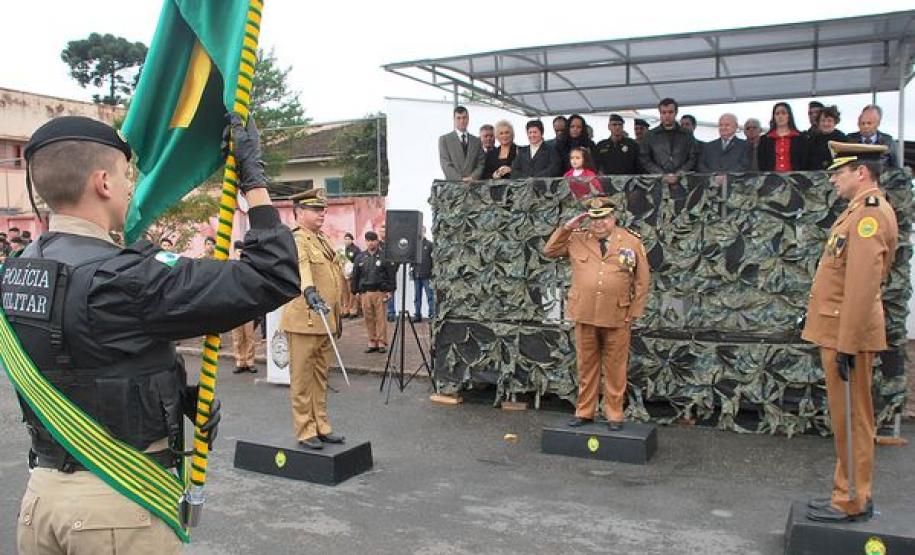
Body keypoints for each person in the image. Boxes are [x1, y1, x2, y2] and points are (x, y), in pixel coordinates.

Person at [8, 114, 299, 553]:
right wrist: (253, 179)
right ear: (104, 182)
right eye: (127, 176)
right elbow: (273, 276)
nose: (131, 187)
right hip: (116, 507)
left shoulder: (14, 272)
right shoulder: (127, 278)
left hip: (40, 503)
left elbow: (78, 358)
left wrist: (163, 390)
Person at [801, 141, 897, 523]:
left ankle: (854, 498)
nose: (833, 179)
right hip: (840, 329)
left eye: (839, 173)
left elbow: (861, 286)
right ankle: (844, 491)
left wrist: (848, 343)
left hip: (848, 334)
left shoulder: (868, 216)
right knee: (845, 417)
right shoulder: (856, 212)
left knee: (854, 418)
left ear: (862, 173)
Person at [543, 196, 650, 431]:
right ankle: (584, 411)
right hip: (585, 312)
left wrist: (634, 312)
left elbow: (642, 280)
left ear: (613, 218)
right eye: (594, 219)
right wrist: (567, 228)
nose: (598, 224)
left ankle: (614, 414)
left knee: (615, 367)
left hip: (617, 314)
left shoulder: (630, 241)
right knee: (586, 365)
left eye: (604, 219)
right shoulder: (578, 238)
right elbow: (549, 250)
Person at [279, 188, 346, 450]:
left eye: (323, 209)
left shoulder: (322, 239)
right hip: (305, 320)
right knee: (302, 378)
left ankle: (321, 424)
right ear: (300, 212)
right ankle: (305, 429)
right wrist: (309, 291)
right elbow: (302, 268)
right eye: (316, 210)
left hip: (325, 321)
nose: (322, 213)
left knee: (320, 376)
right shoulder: (297, 240)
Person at [351, 230, 396, 353]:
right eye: (368, 241)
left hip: (379, 291)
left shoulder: (384, 256)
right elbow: (355, 275)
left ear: (377, 241)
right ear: (365, 242)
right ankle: (372, 341)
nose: (371, 243)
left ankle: (381, 342)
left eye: (373, 240)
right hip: (365, 292)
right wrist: (354, 291)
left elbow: (391, 274)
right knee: (368, 318)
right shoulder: (360, 257)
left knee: (381, 318)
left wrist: (390, 290)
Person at [639, 98, 698, 185]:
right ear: (660, 113)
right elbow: (645, 158)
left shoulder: (687, 135)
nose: (667, 115)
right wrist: (661, 174)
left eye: (670, 112)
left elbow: (693, 157)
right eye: (664, 112)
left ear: (676, 113)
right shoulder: (650, 135)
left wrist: (680, 173)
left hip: (683, 182)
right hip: (657, 182)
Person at [231, 239, 259, 374]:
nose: (240, 253)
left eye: (242, 251)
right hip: (235, 306)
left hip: (248, 305)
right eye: (238, 251)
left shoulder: (250, 266)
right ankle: (239, 362)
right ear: (234, 252)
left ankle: (250, 361)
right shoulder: (230, 266)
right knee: (237, 336)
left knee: (249, 335)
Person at [438, 105, 485, 182]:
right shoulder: (444, 140)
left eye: (464, 117)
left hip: (472, 185)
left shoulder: (476, 141)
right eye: (458, 118)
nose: (462, 121)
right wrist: (461, 180)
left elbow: (481, 163)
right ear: (454, 119)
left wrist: (473, 177)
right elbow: (445, 164)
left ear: (468, 119)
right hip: (454, 186)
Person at [757, 102, 806, 172]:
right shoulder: (765, 139)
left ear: (789, 116)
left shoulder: (800, 138)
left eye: (783, 113)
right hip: (772, 180)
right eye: (777, 114)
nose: (780, 116)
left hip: (795, 180)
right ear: (774, 117)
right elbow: (762, 164)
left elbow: (804, 162)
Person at [805, 105, 847, 171]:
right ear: (818, 122)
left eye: (829, 121)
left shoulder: (843, 139)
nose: (826, 124)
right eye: (823, 121)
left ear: (835, 122)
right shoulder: (812, 140)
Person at [411, 228, 434, 323]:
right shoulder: (414, 245)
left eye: (421, 231)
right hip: (416, 274)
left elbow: (433, 259)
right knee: (417, 297)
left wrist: (432, 272)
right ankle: (417, 315)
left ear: (424, 232)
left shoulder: (430, 245)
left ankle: (432, 315)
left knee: (430, 296)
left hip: (427, 275)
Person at [342, 232, 362, 318]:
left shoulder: (356, 250)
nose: (346, 241)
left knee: (352, 292)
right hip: (343, 273)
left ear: (352, 240)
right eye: (345, 239)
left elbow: (357, 262)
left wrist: (352, 271)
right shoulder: (342, 250)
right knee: (344, 292)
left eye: (348, 239)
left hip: (352, 274)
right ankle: (345, 309)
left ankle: (353, 310)